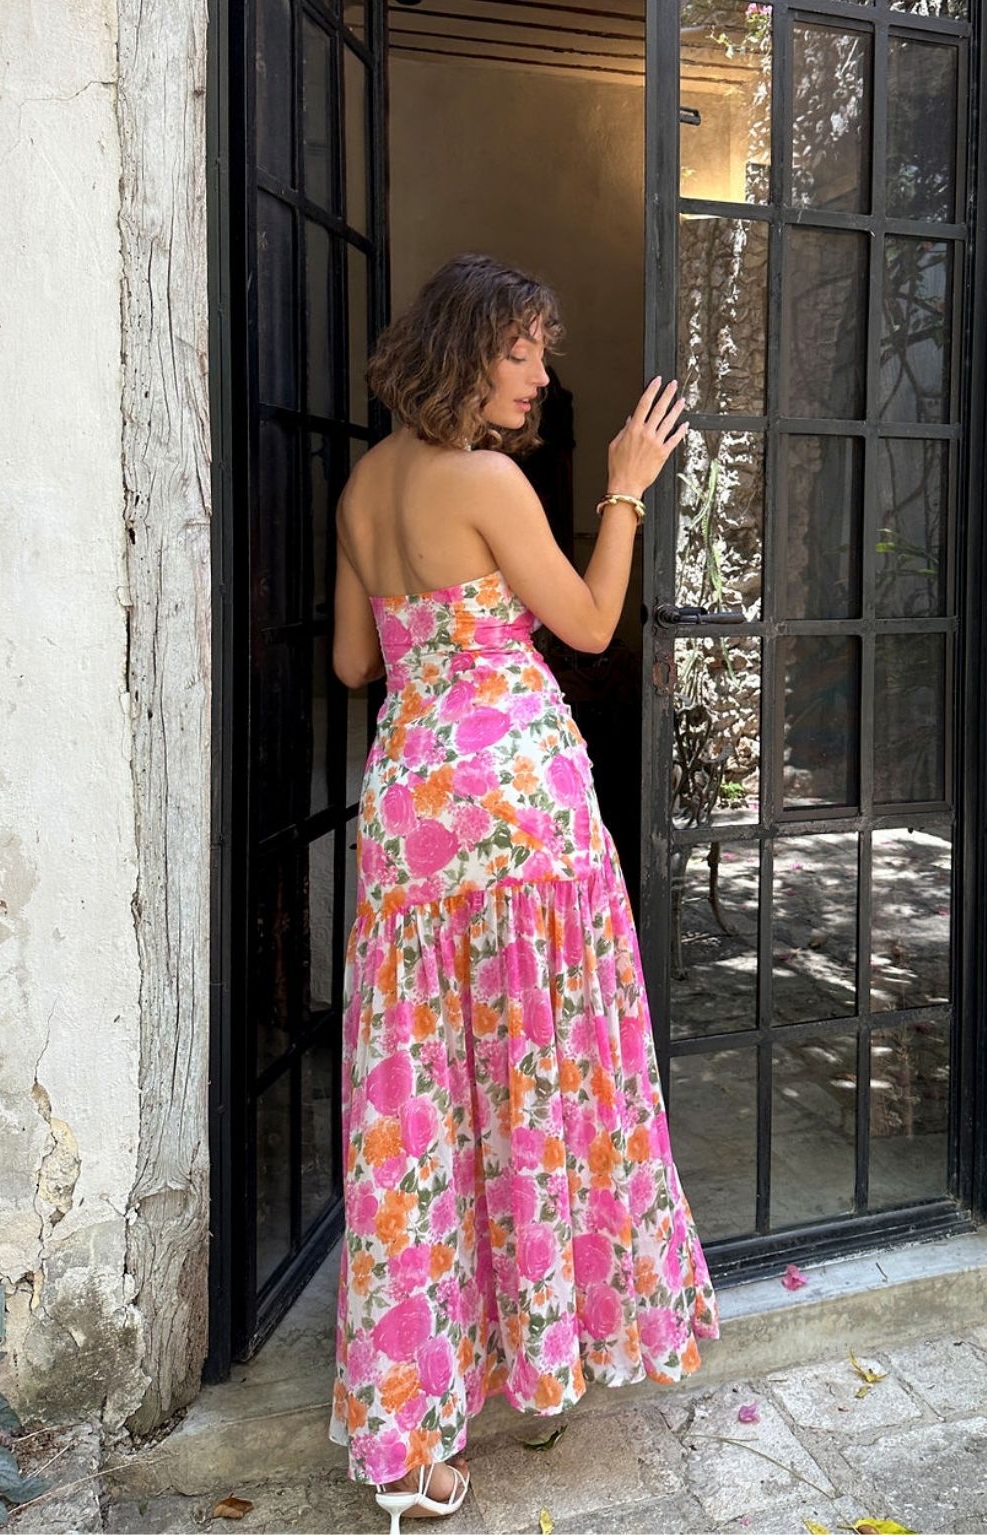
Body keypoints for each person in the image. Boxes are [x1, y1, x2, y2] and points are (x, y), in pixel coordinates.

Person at [328, 253, 719, 1530]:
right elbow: (593, 623)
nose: (540, 374)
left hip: (408, 812)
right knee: (540, 1073)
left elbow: (353, 661)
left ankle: (403, 1439)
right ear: (464, 351)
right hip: (513, 815)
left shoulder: (364, 485)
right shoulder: (487, 480)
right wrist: (625, 489)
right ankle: (546, 1334)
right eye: (521, 351)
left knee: (416, 1106)